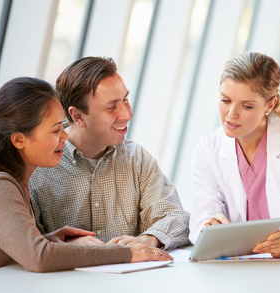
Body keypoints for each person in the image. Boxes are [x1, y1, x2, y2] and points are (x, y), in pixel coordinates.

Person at [0, 77, 172, 272]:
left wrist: (48, 240)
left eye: (62, 126)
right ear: (19, 140)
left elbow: (1, 255)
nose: (65, 136)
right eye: (55, 130)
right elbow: (40, 258)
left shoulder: (15, 183)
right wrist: (125, 253)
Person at [29, 57, 190, 250]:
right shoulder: (38, 168)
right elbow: (23, 243)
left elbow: (177, 218)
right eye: (112, 106)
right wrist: (61, 244)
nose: (128, 115)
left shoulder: (136, 159)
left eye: (125, 100)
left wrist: (149, 239)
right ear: (77, 116)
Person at [189, 52, 280, 258]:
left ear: (269, 105)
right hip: (236, 267)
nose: (231, 114)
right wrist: (208, 227)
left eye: (247, 106)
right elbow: (203, 212)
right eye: (225, 100)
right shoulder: (208, 149)